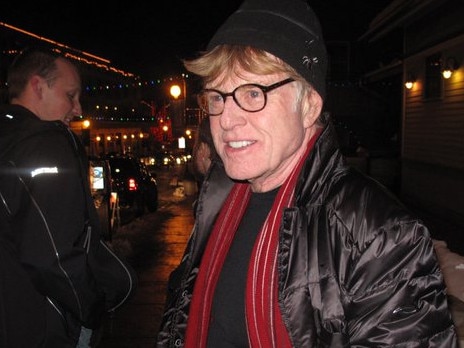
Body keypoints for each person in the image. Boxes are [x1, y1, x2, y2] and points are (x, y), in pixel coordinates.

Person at [156, 0, 458, 346]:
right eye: (217, 97)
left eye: (253, 93)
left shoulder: (375, 232)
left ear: (309, 105)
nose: (226, 118)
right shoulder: (216, 200)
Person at [0, 48, 137, 347]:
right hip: (45, 326)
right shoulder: (49, 144)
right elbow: (53, 257)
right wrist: (92, 308)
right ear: (37, 86)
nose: (77, 109)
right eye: (71, 95)